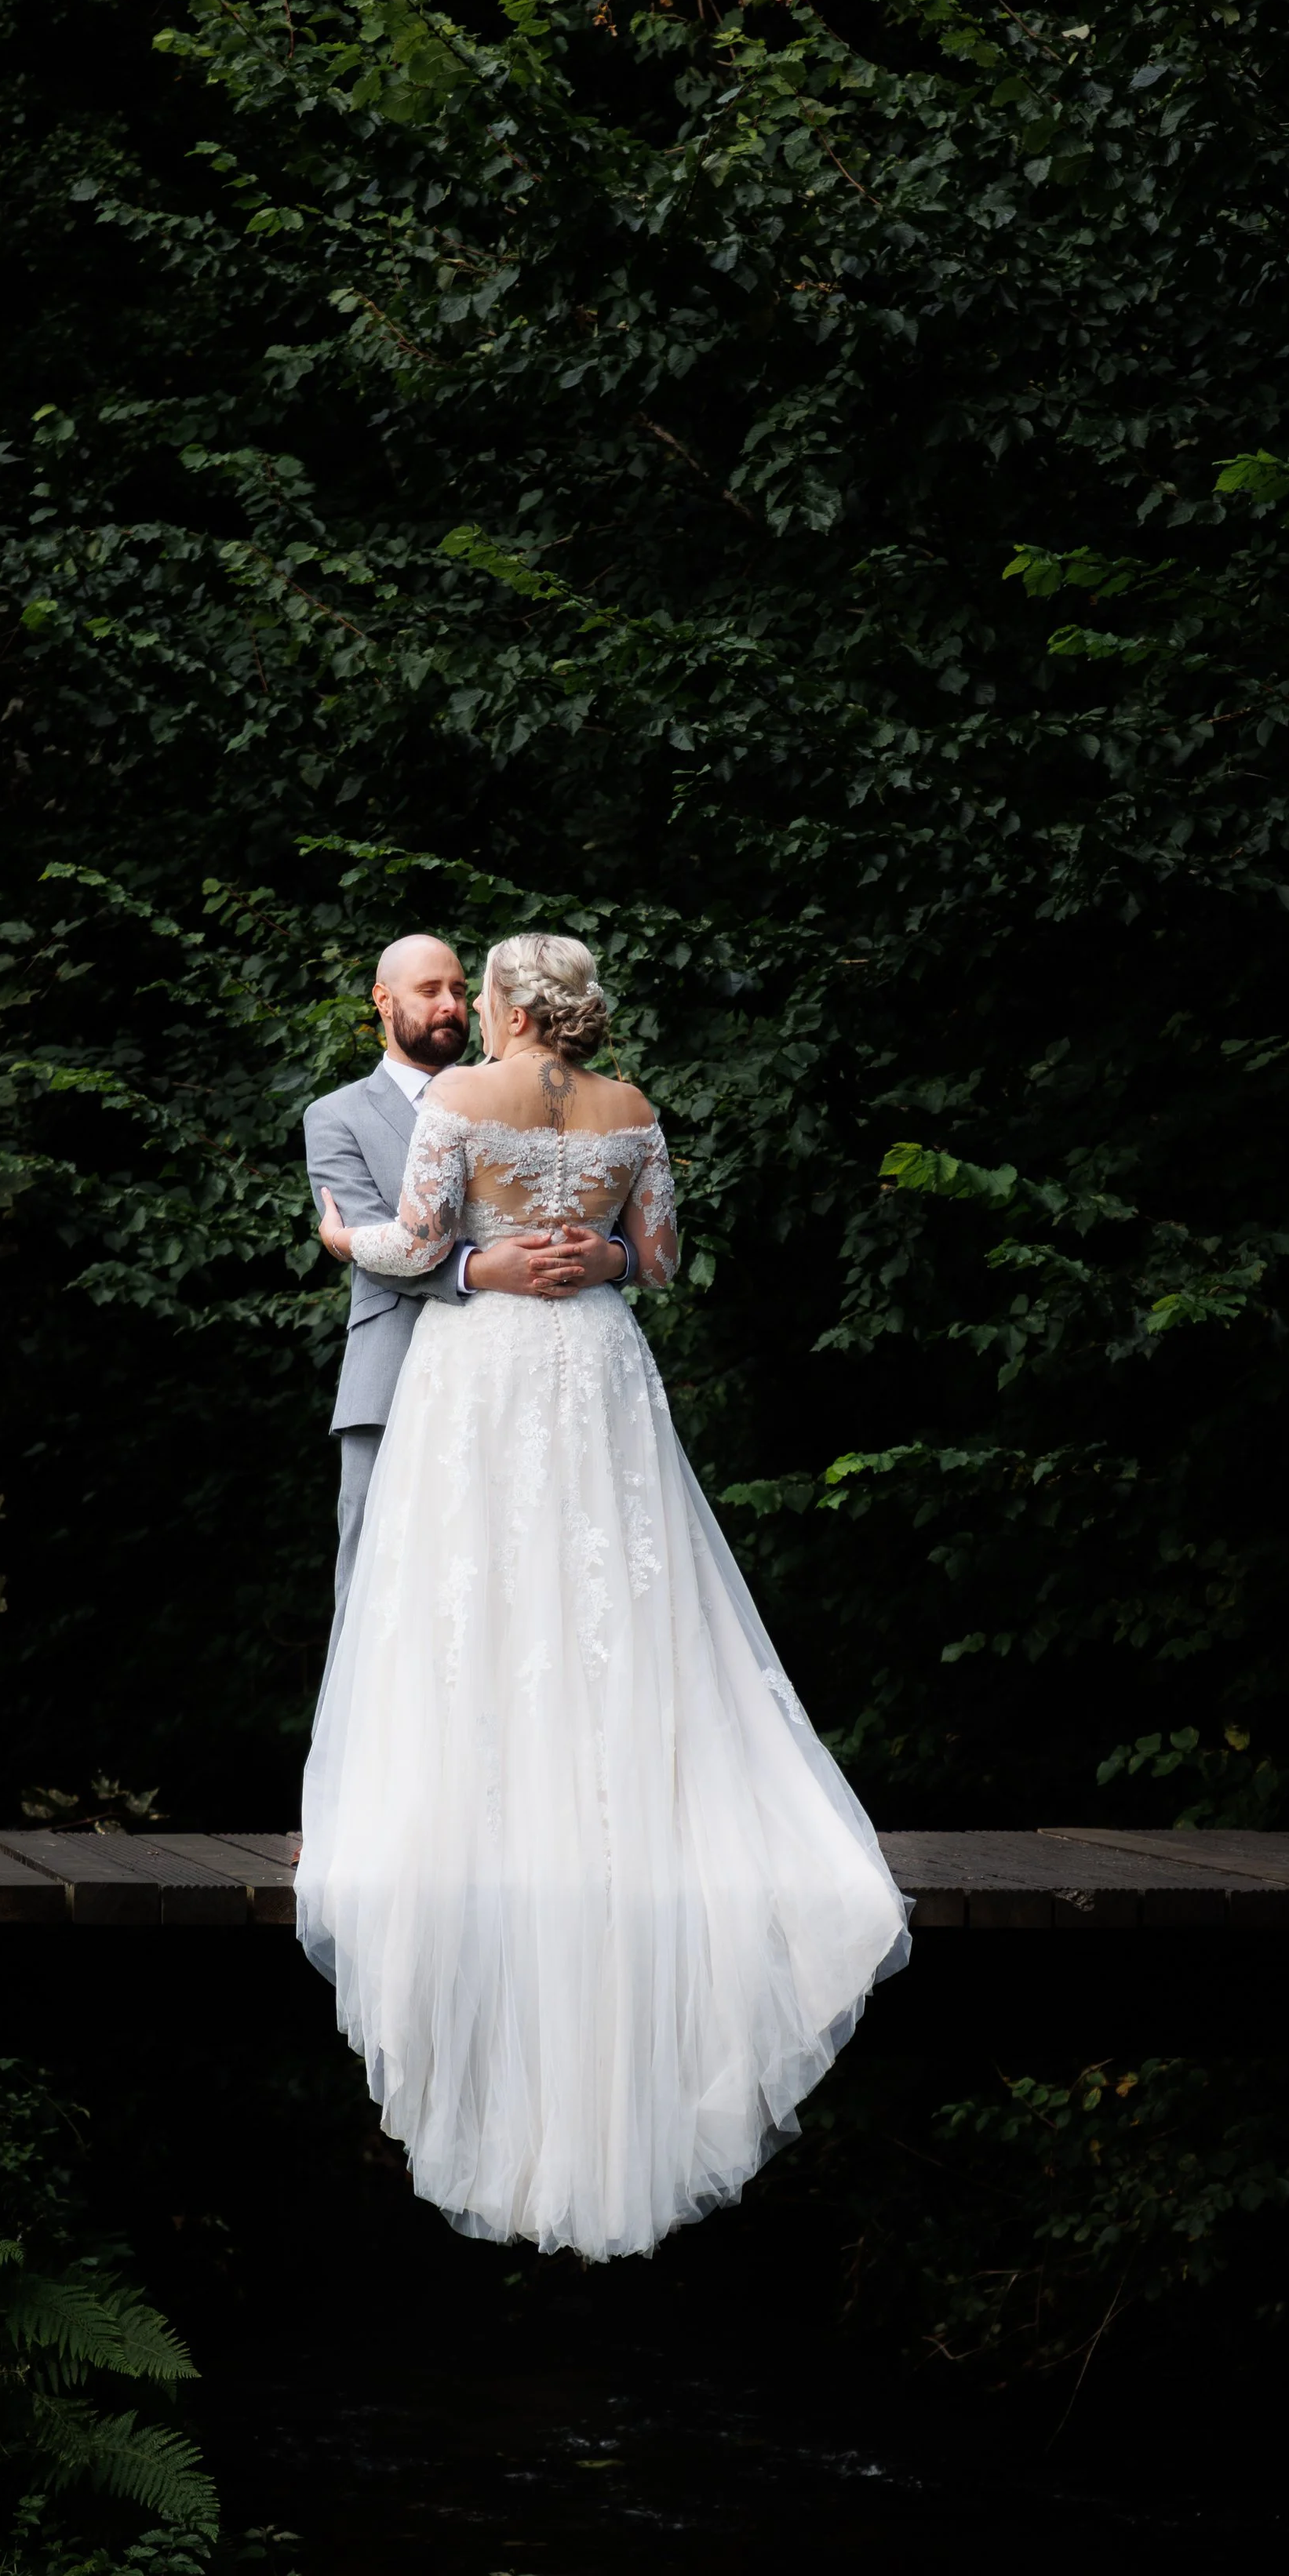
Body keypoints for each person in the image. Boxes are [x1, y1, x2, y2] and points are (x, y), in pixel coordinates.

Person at [300, 930, 910, 2261]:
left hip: (483, 1370)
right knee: (617, 1598)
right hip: (597, 1362)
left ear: (512, 1007)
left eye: (482, 992)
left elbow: (417, 1242)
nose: (473, 1010)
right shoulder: (633, 1108)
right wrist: (603, 1262)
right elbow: (664, 1259)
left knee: (477, 1597)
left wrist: (349, 1233)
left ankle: (477, 1815)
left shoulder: (462, 1100)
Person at [301, 934, 633, 1632]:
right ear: (382, 1000)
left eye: (459, 989)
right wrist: (481, 1269)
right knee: (378, 1595)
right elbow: (375, 1240)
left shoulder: (526, 1090)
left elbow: (598, 1216)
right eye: (429, 992)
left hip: (526, 1379)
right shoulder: (336, 1117)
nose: (451, 1005)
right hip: (393, 1372)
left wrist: (613, 1258)